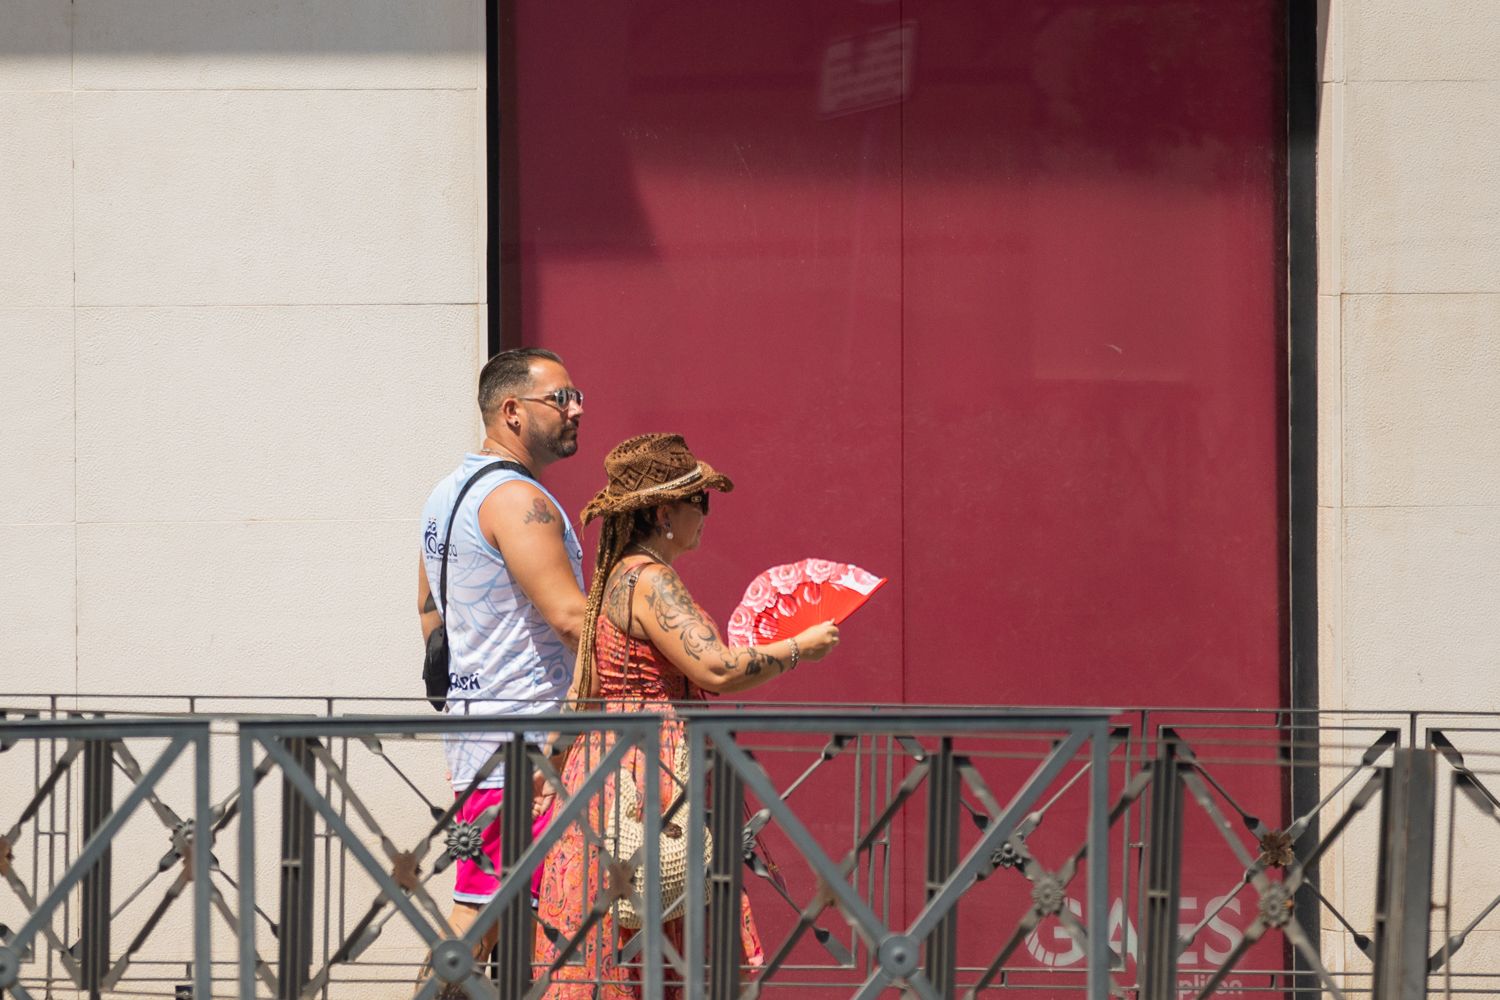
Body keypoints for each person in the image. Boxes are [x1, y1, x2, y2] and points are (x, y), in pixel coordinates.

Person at [532, 433, 840, 998]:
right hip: (647, 776)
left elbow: (584, 690)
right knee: (654, 925)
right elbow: (717, 670)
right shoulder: (651, 580)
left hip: (599, 772)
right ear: (663, 511)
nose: (706, 516)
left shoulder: (614, 576)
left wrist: (552, 766)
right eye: (700, 502)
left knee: (613, 937)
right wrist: (800, 646)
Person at [417, 347, 587, 959]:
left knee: (505, 922)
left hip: (481, 741)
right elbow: (571, 618)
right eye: (562, 398)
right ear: (512, 411)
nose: (576, 410)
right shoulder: (519, 501)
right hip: (530, 749)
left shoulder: (446, 494)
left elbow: (428, 611)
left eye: (577, 398)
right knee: (481, 923)